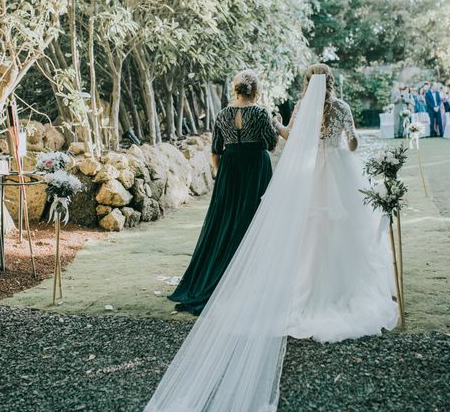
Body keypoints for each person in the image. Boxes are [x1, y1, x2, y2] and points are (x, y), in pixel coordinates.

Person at [145, 65, 398, 412]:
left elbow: (279, 140)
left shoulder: (276, 109)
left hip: (274, 172)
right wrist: (340, 139)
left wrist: (284, 131)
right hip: (321, 169)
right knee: (339, 227)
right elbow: (341, 142)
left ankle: (288, 285)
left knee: (295, 229)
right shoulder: (338, 109)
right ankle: (339, 287)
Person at [168, 69, 278, 315]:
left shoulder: (223, 115)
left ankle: (216, 275)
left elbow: (216, 150)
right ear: (256, 90)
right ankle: (250, 278)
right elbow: (271, 144)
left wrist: (222, 174)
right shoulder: (261, 114)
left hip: (230, 170)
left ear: (235, 89)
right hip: (255, 169)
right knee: (253, 220)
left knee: (225, 222)